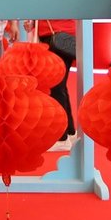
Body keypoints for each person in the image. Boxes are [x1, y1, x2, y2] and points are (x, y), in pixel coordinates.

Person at [36, 19, 78, 149]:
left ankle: (61, 137)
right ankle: (69, 131)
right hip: (61, 35)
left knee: (56, 87)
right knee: (60, 86)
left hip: (56, 35)